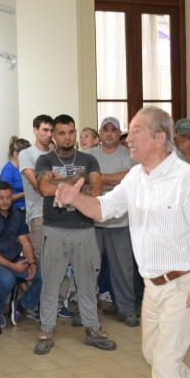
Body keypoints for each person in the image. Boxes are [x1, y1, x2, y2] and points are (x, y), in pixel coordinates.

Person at [55, 106, 190, 378]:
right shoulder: (136, 177)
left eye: (136, 132)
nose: (127, 139)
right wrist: (75, 199)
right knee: (153, 355)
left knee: (164, 361)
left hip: (185, 284)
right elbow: (103, 210)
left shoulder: (188, 180)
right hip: (153, 287)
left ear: (159, 138)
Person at [34, 114, 116, 355]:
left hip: (84, 230)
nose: (67, 137)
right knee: (50, 284)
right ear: (54, 135)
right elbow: (44, 188)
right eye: (62, 133)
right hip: (54, 229)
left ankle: (92, 330)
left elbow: (97, 190)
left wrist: (61, 182)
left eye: (71, 132)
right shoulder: (44, 159)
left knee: (88, 285)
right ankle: (46, 331)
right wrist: (80, 181)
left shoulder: (89, 159)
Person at [84, 116, 138, 325]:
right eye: (105, 129)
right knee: (88, 269)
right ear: (100, 133)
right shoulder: (89, 155)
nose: (109, 133)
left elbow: (126, 180)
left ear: (118, 133)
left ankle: (127, 309)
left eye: (113, 130)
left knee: (123, 270)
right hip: (92, 223)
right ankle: (85, 311)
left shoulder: (129, 155)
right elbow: (84, 181)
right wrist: (111, 181)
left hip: (119, 223)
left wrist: (97, 179)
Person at [0, 181, 40, 327]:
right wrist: (13, 267)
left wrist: (31, 262)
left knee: (43, 274)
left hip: (13, 259)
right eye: (0, 198)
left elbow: (25, 243)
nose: (5, 201)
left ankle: (22, 305)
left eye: (8, 197)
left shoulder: (16, 214)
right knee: (7, 281)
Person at [19, 115, 54, 312]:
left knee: (56, 265)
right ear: (35, 130)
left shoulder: (55, 155)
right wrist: (58, 181)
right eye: (44, 130)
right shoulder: (27, 154)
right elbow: (38, 185)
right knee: (42, 267)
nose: (49, 135)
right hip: (38, 215)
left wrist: (54, 181)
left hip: (58, 215)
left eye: (51, 131)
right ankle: (28, 305)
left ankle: (48, 306)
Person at [0, 136, 28, 210]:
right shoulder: (8, 171)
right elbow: (4, 198)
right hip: (16, 210)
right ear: (16, 154)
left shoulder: (24, 168)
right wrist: (25, 193)